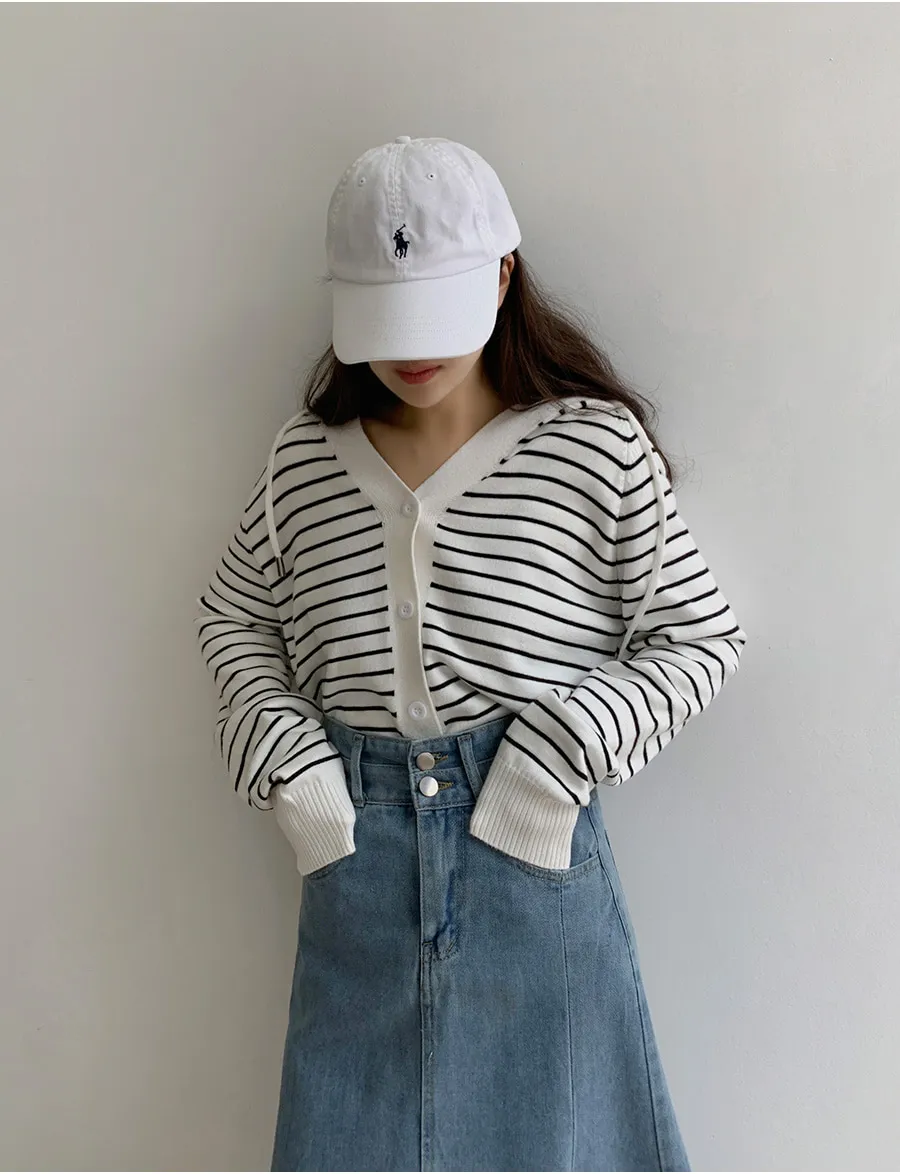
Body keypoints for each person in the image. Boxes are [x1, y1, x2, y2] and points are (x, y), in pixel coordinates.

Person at [194, 135, 747, 1173]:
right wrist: (294, 769)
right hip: (355, 864)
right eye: (386, 319)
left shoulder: (592, 447)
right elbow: (234, 620)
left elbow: (700, 635)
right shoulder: (304, 464)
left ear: (502, 276)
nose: (413, 354)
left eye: (437, 312)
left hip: (532, 857)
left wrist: (557, 755)